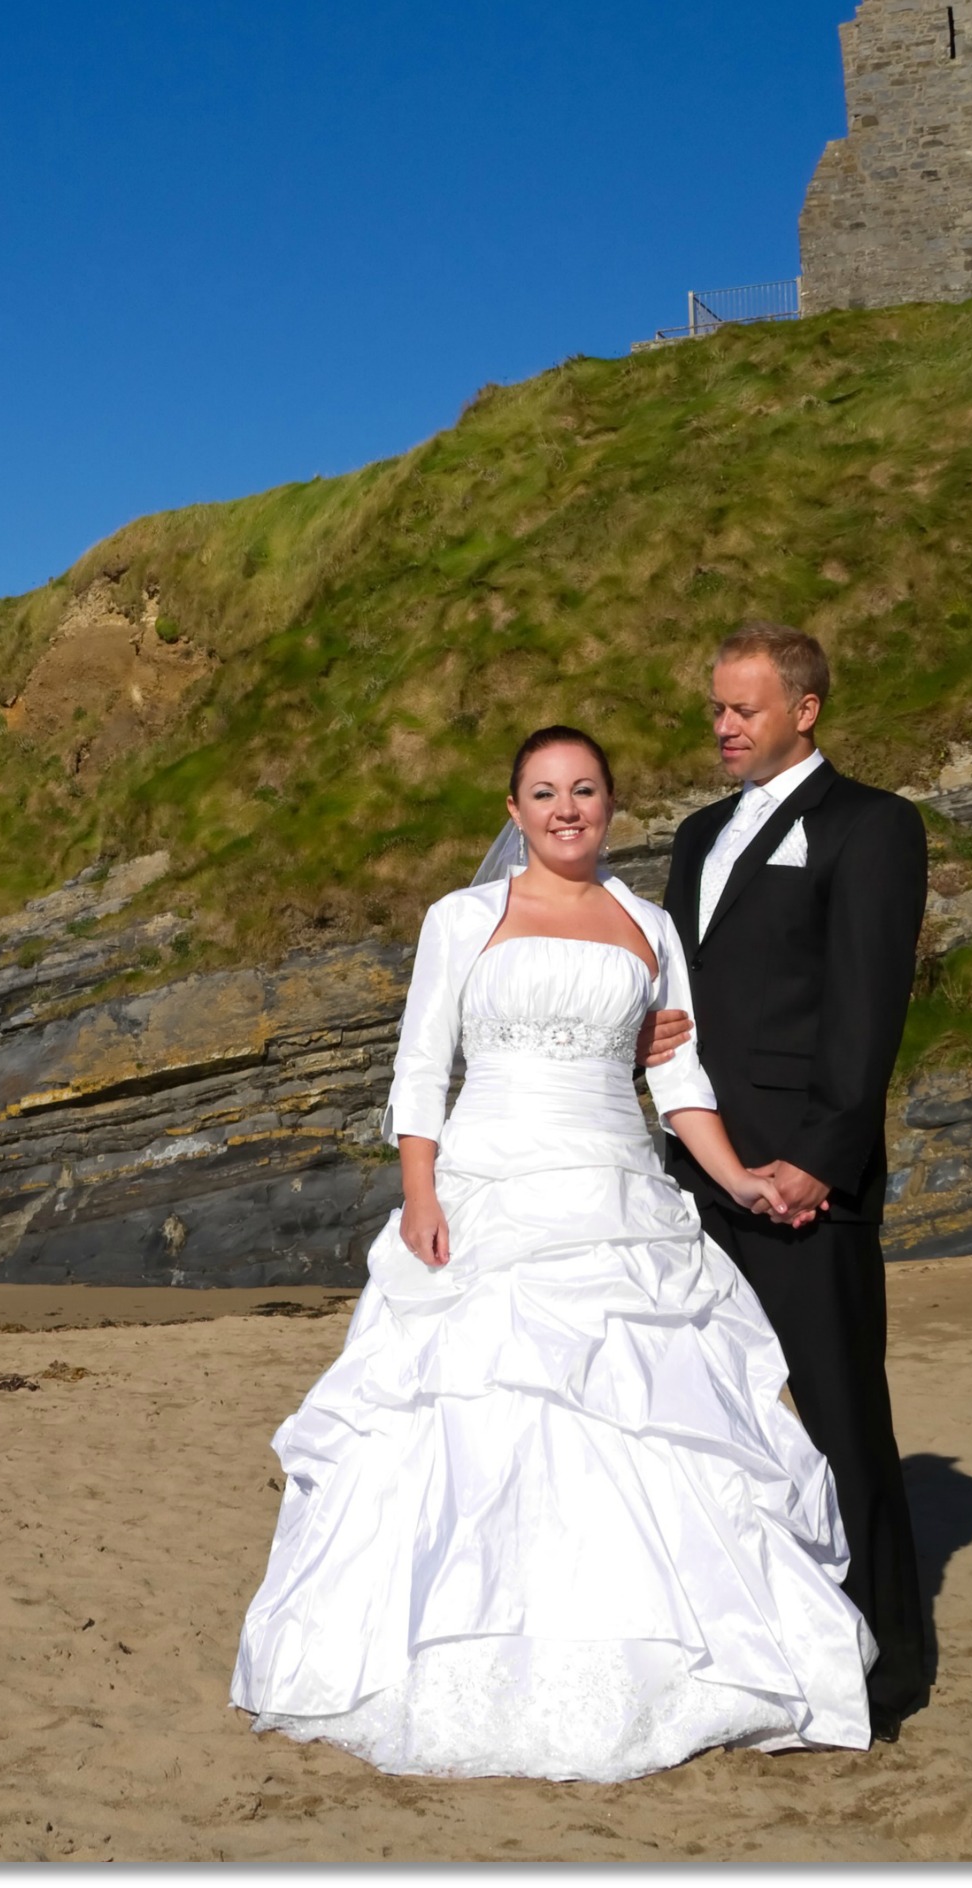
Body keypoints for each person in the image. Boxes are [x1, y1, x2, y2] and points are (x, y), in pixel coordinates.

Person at [231, 726, 876, 1780]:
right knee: (482, 1412)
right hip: (488, 1193)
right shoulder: (461, 917)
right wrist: (420, 1194)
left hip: (615, 1189)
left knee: (639, 1417)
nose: (565, 807)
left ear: (610, 803)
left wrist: (736, 1177)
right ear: (513, 807)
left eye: (583, 789)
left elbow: (679, 1079)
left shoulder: (649, 924)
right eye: (542, 792)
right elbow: (420, 1062)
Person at [650, 623, 930, 1741]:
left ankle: (887, 1658)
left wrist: (822, 1154)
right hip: (698, 1168)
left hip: (805, 1173)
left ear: (803, 708)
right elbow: (683, 980)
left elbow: (868, 1010)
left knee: (837, 1408)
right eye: (715, 707)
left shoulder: (870, 825)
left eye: (742, 708)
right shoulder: (696, 833)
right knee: (715, 1416)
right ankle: (751, 1633)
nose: (721, 725)